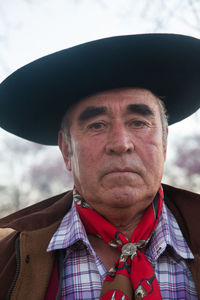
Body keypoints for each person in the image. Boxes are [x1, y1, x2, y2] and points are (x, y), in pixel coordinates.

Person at [0, 33, 200, 300]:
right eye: (97, 125)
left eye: (139, 122)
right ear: (66, 150)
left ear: (164, 142)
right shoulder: (8, 258)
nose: (120, 143)